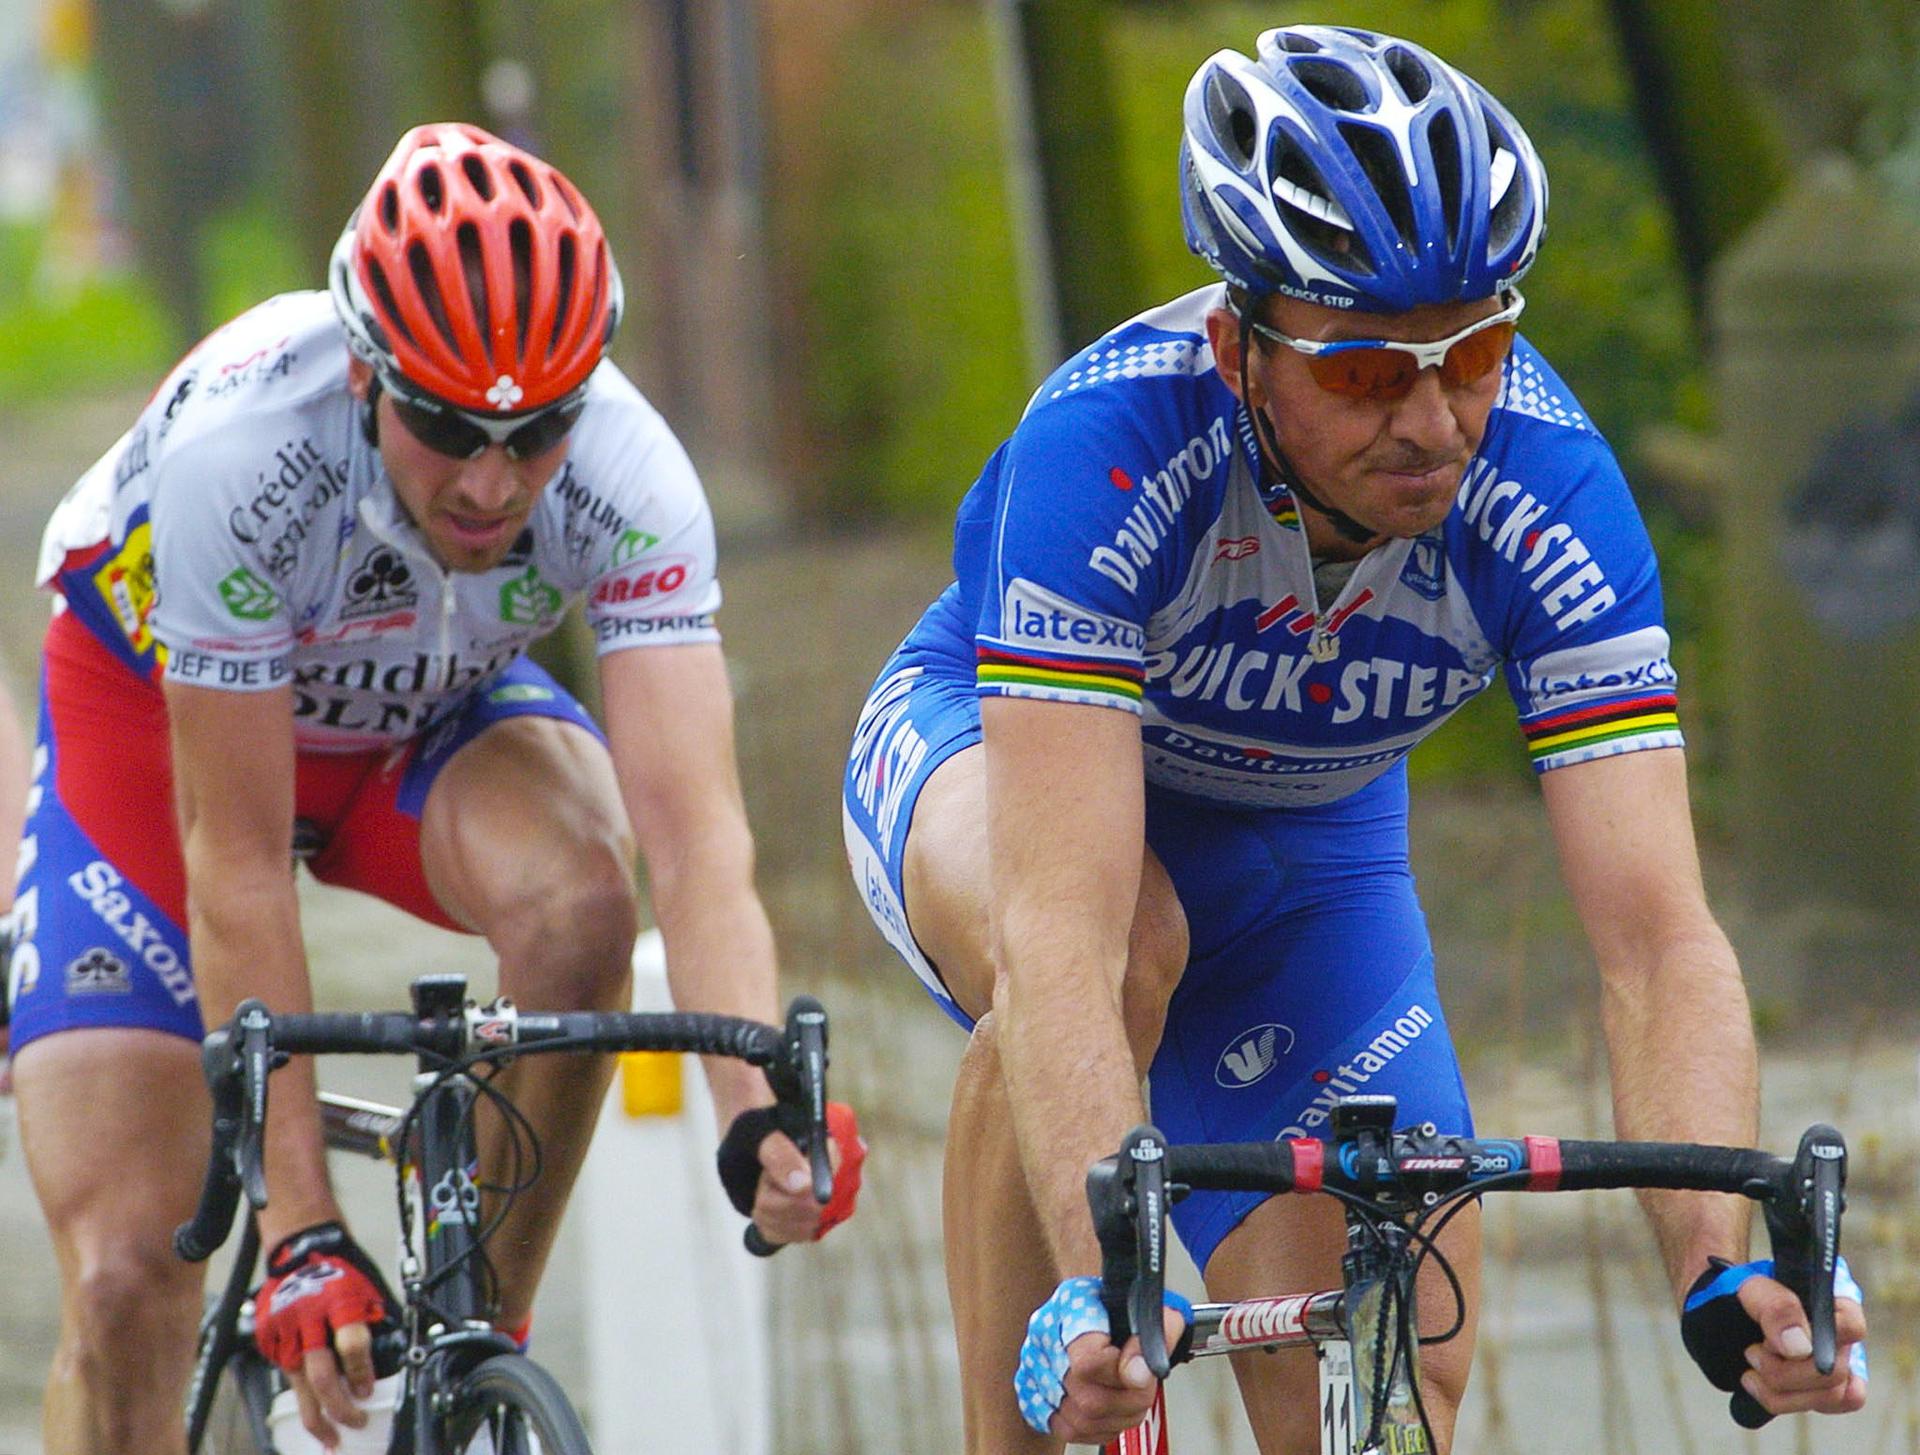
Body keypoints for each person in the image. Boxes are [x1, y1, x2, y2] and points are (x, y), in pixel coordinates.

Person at [841, 25, 1866, 1452]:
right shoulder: (1109, 448)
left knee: (1393, 1387)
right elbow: (1058, 929)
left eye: (1477, 353)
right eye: (1370, 371)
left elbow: (1658, 940)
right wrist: (1103, 1277)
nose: (1435, 422)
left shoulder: (1552, 495)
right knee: (1122, 956)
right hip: (1008, 768)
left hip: (1311, 859)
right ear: (1238, 350)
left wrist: (1718, 1262)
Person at [10, 122, 862, 1455]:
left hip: (419, 718)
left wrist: (755, 1113)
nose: (490, 481)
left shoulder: (634, 478)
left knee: (586, 904)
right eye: (450, 426)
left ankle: (473, 1356)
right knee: (127, 1276)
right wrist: (299, 1228)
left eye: (537, 434)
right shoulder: (242, 454)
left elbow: (699, 844)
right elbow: (236, 866)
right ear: (366, 371)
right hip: (156, 725)